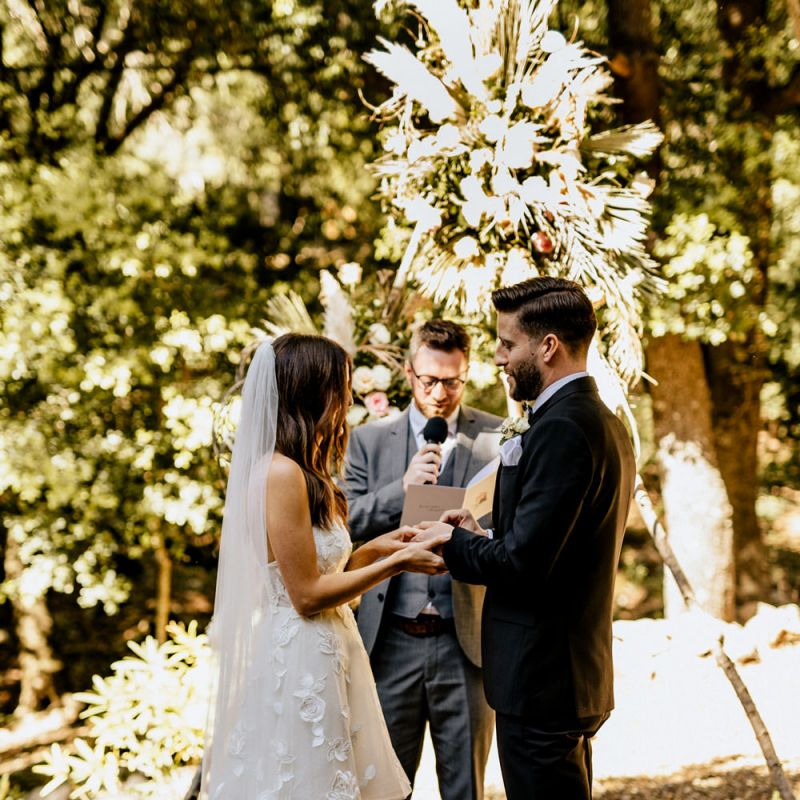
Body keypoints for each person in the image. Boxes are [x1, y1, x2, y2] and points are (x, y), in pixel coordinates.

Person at [199, 333, 449, 800]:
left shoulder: (300, 467)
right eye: (341, 386)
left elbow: (322, 570)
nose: (348, 398)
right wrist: (397, 563)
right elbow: (307, 595)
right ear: (313, 391)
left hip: (328, 649)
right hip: (301, 658)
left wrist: (378, 548)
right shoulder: (279, 473)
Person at [415, 278, 636, 800]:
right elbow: (550, 543)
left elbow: (522, 564)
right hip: (566, 674)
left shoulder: (562, 428)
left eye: (507, 343)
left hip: (543, 679)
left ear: (549, 347)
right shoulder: (602, 421)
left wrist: (450, 542)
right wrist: (477, 532)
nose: (497, 357)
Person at [344, 320, 502, 800]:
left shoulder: (497, 436)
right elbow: (344, 524)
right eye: (429, 380)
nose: (440, 392)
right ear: (410, 374)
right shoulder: (369, 441)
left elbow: (513, 530)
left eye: (452, 381)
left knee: (465, 789)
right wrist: (401, 491)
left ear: (467, 374)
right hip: (390, 640)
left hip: (466, 639)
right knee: (387, 786)